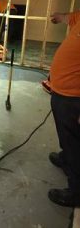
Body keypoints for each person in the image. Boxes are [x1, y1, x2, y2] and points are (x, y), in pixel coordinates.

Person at [48, 11, 80, 207]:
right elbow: (73, 18)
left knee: (75, 142)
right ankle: (67, 158)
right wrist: (61, 17)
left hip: (75, 99)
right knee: (67, 136)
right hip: (62, 94)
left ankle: (76, 192)